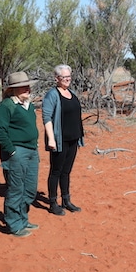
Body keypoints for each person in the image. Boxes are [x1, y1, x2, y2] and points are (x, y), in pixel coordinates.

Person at [0, 71, 40, 237]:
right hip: (16, 153)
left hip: (32, 151)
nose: (27, 88)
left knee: (30, 189)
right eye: (22, 87)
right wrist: (11, 150)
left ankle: (22, 219)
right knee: (16, 189)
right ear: (12, 90)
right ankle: (14, 225)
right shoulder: (6, 106)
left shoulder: (28, 105)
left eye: (27, 85)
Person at [42, 64, 85, 216]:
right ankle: (53, 202)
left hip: (73, 139)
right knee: (56, 171)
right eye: (64, 77)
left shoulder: (71, 93)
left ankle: (66, 200)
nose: (67, 79)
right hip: (59, 140)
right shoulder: (52, 95)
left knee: (66, 171)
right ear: (56, 79)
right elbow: (46, 117)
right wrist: (51, 139)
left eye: (69, 77)